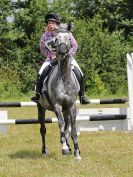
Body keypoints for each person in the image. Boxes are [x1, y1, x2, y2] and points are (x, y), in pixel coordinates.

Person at [31, 12, 89, 104]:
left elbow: (75, 45)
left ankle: (82, 96)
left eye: (52, 23)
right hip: (51, 59)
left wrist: (68, 55)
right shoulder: (44, 36)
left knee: (79, 73)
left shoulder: (66, 33)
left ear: (57, 24)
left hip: (67, 59)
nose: (50, 25)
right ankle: (38, 95)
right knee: (41, 72)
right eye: (49, 23)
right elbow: (42, 49)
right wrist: (50, 56)